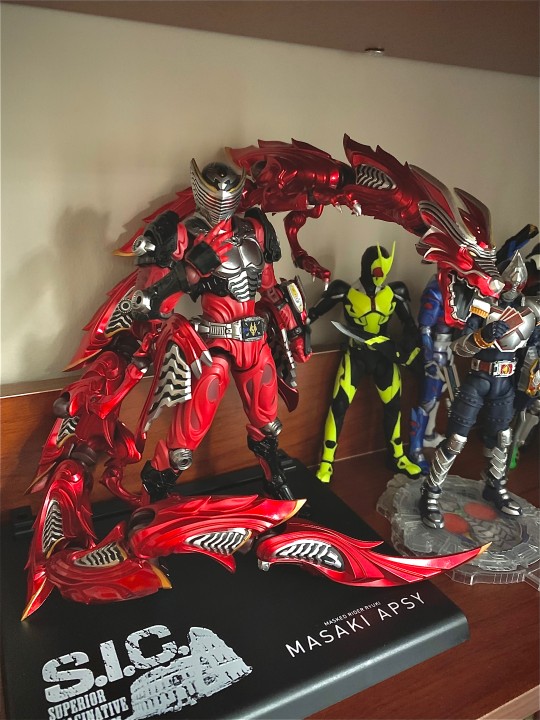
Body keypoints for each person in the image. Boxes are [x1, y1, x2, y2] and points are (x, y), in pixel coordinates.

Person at [419, 251, 540, 529]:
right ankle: (431, 492)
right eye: (509, 280)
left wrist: (531, 382)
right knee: (456, 439)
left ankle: (494, 486)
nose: (513, 284)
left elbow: (532, 349)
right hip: (479, 378)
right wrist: (483, 336)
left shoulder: (530, 311)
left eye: (518, 281)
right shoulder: (483, 306)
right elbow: (459, 347)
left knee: (502, 437)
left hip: (505, 382)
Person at [309, 243, 422, 483]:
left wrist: (407, 349)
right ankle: (326, 462)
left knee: (394, 406)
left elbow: (410, 326)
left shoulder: (395, 292)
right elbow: (311, 316)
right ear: (366, 267)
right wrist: (299, 331)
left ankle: (398, 456)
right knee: (339, 405)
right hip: (356, 355)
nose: (381, 276)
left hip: (384, 357)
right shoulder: (345, 291)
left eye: (385, 271)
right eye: (378, 270)